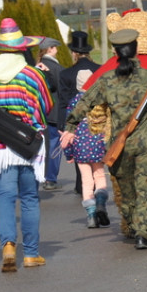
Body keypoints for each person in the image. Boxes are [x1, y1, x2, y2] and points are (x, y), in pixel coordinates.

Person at [61, 29, 147, 251]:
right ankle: (142, 232)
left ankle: (133, 225)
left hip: (119, 146)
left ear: (115, 52)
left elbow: (85, 102)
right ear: (136, 51)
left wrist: (70, 126)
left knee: (127, 189)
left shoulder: (106, 81)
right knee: (145, 189)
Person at [0, 19, 51, 272]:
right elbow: (44, 106)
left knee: (4, 198)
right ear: (21, 48)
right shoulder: (32, 74)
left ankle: (8, 247)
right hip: (25, 144)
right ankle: (31, 254)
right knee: (29, 198)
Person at [63, 69, 109, 228]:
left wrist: (68, 153)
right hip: (97, 143)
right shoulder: (99, 101)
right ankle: (101, 202)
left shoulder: (74, 102)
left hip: (79, 146)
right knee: (100, 176)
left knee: (86, 181)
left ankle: (91, 214)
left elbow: (68, 129)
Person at [58, 31, 100, 196]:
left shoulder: (66, 74)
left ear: (74, 53)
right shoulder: (98, 69)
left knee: (79, 150)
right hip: (97, 115)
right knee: (96, 150)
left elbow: (62, 101)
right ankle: (98, 183)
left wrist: (62, 124)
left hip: (75, 117)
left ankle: (81, 183)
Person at [35, 37, 64, 191]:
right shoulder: (56, 68)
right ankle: (50, 178)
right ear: (50, 49)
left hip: (40, 112)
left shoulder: (36, 66)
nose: (57, 51)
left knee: (42, 146)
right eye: (56, 48)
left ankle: (40, 175)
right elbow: (62, 91)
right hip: (54, 112)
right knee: (54, 145)